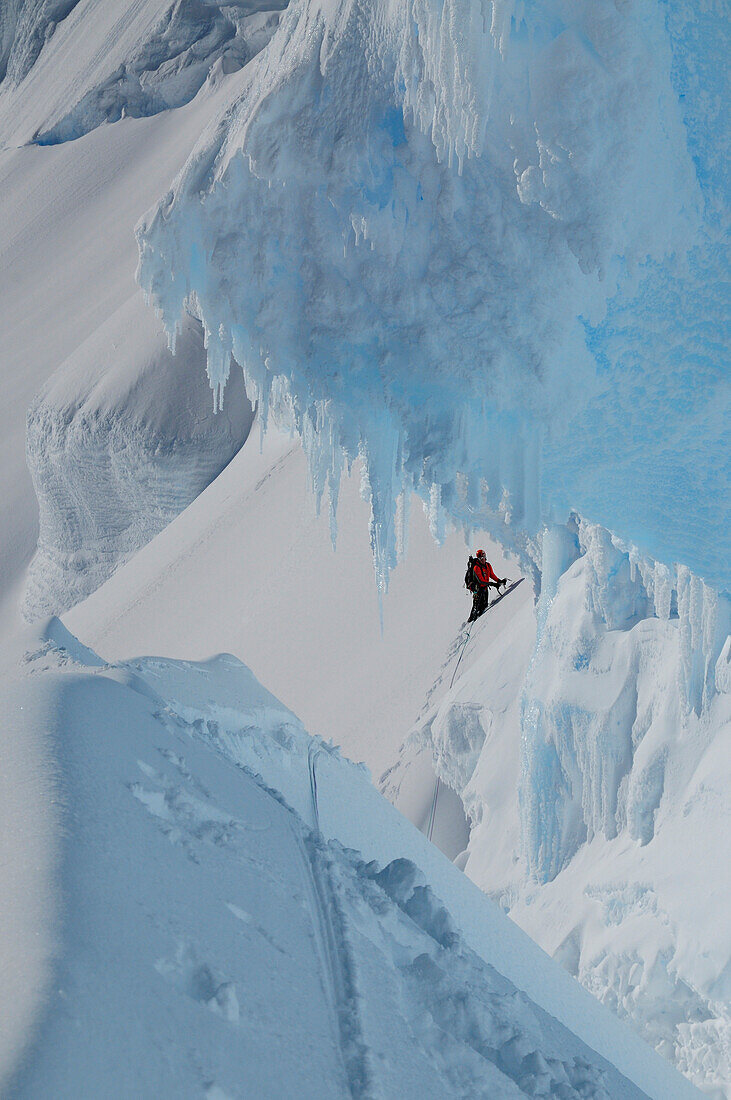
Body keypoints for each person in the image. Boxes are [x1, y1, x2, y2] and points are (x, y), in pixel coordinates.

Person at [465, 550, 506, 622]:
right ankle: (471, 621)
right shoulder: (476, 568)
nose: (483, 559)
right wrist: (492, 584)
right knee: (476, 607)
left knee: (484, 605)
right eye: (481, 558)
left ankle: (479, 618)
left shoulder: (488, 565)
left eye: (484, 557)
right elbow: (481, 581)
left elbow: (492, 575)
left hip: (485, 588)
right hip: (477, 590)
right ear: (478, 559)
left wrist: (499, 581)